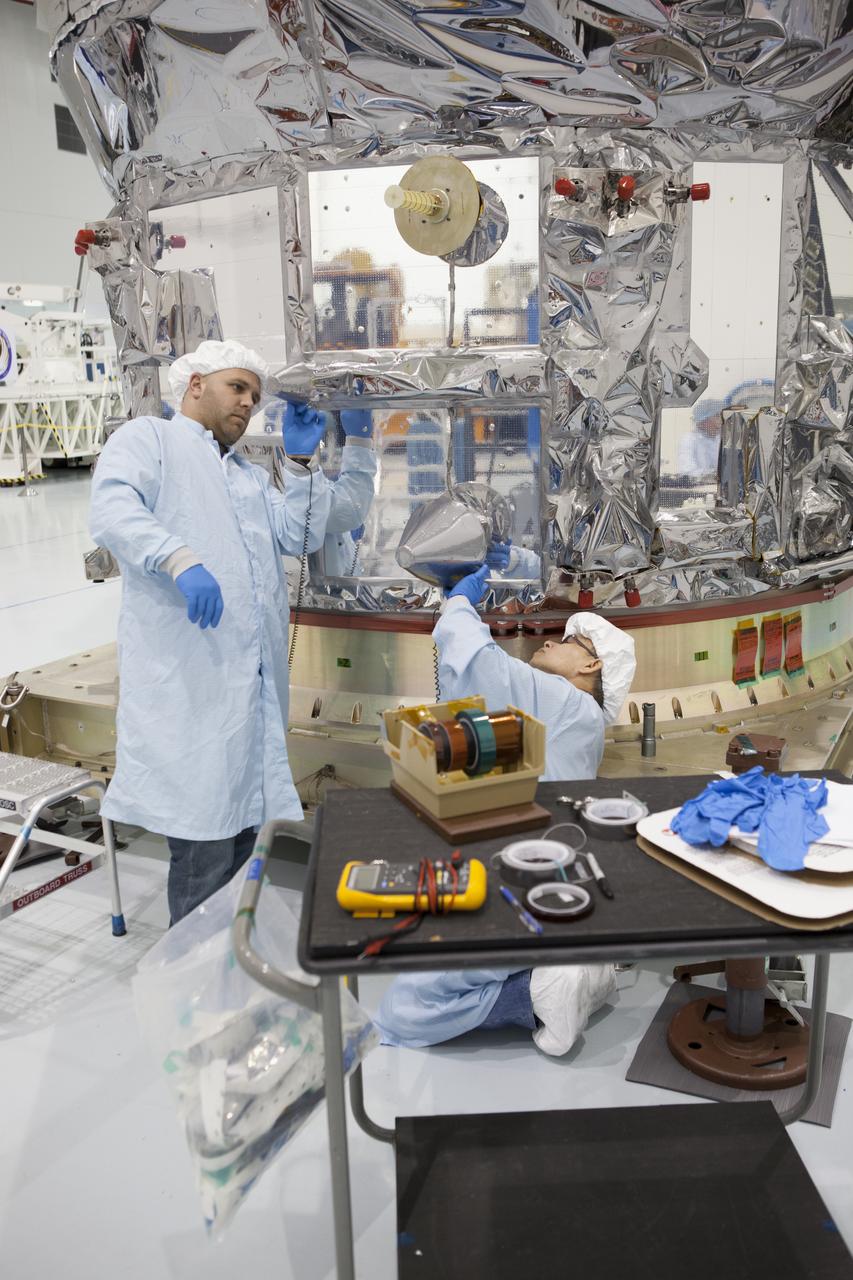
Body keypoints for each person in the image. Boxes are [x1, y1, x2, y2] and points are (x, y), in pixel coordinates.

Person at [89, 339, 375, 924]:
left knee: (246, 841)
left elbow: (302, 536)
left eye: (255, 394)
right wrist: (178, 558)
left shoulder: (246, 477)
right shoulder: (152, 441)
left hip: (248, 691)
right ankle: (193, 992)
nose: (248, 403)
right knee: (204, 847)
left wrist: (299, 465)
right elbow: (113, 508)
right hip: (191, 690)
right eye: (236, 388)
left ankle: (228, 974)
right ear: (195, 384)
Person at [375, 561, 636, 1056]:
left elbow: (482, 670)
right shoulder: (575, 718)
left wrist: (459, 603)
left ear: (591, 667)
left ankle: (539, 992)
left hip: (519, 891)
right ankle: (576, 964)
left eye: (566, 643)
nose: (549, 643)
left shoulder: (564, 702)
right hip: (543, 883)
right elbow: (471, 712)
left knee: (405, 1010)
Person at [676, 399, 723, 480]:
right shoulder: (689, 440)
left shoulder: (720, 440)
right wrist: (710, 475)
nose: (721, 421)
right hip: (697, 489)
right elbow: (686, 471)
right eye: (717, 416)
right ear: (704, 420)